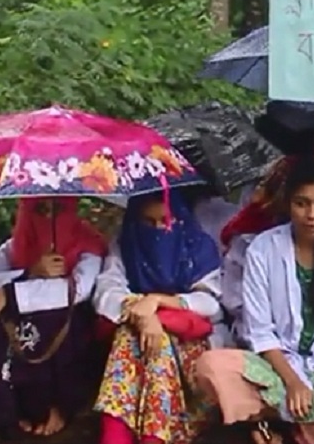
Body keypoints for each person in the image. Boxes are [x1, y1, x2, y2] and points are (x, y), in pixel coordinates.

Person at [194, 158, 314, 444]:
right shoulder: (263, 249)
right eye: (302, 203)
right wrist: (292, 382)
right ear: (288, 204)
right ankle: (275, 423)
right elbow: (260, 330)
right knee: (212, 367)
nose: (312, 214)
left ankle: (282, 431)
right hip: (277, 367)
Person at [93, 190, 226, 444]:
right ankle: (150, 437)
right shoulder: (126, 244)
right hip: (137, 342)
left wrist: (156, 304)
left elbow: (211, 304)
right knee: (135, 337)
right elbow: (107, 292)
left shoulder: (197, 246)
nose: (158, 229)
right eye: (148, 222)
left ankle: (119, 435)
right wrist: (142, 314)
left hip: (192, 359)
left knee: (156, 342)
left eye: (165, 221)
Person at [0, 198, 107, 440]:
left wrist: (10, 293)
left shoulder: (88, 243)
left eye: (58, 209)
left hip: (67, 333)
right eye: (40, 209)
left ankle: (61, 407)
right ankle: (13, 408)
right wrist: (29, 272)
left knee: (57, 321)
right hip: (22, 333)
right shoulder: (16, 246)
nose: (49, 217)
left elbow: (79, 291)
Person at [220, 156, 299, 344]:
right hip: (257, 339)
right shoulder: (249, 243)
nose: (312, 214)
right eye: (301, 202)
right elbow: (236, 302)